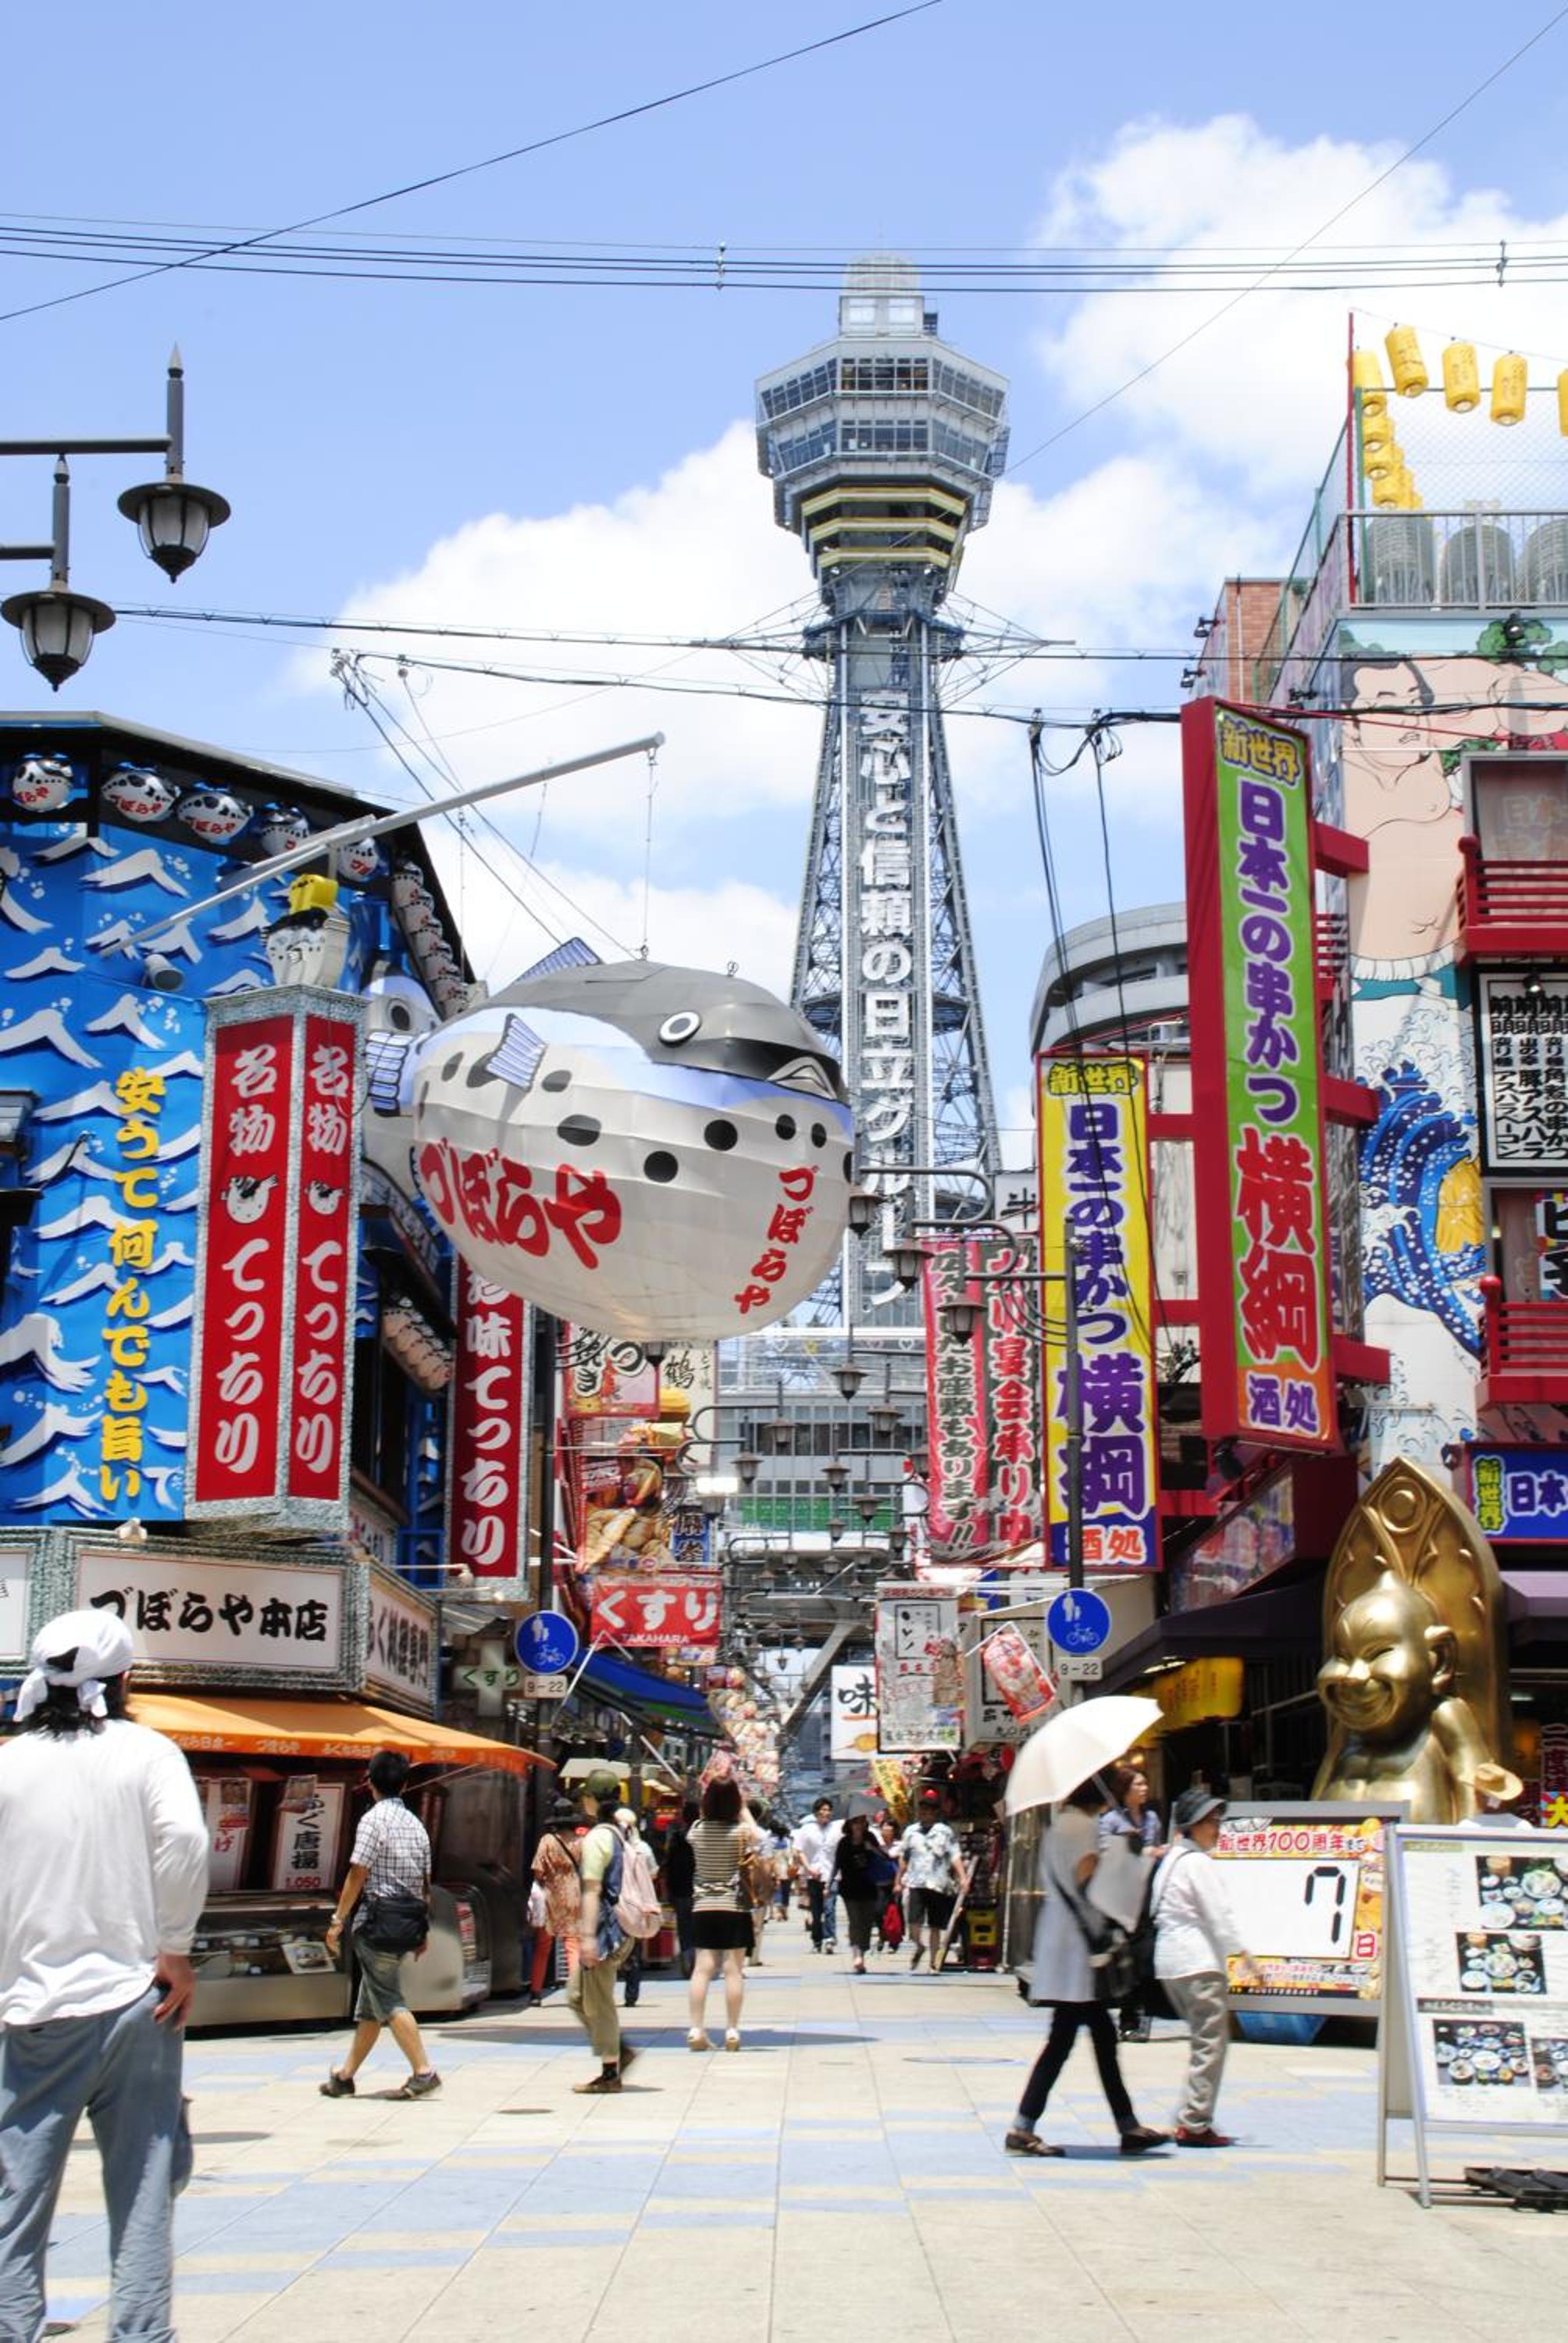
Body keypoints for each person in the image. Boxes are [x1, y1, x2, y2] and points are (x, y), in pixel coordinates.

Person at [0, 1607, 209, 2342]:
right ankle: (141, 2333)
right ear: (124, 1681)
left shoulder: (8, 1763)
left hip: (36, 2005)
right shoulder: (148, 1753)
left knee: (18, 2193)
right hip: (140, 1997)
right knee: (145, 2182)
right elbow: (185, 1839)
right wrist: (174, 1946)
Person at [1005, 1778, 1167, 2159]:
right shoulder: (1082, 1826)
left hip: (1068, 1945)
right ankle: (1024, 2128)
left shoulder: (1061, 1824)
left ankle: (1126, 2126)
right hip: (1078, 1949)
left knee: (1095, 2037)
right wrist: (1127, 1857)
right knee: (1070, 2040)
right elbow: (1087, 1878)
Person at [322, 1748, 441, 2099]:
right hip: (407, 1923)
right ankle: (344, 2078)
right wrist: (423, 1929)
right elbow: (425, 1884)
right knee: (371, 2007)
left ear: (370, 1782)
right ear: (404, 1784)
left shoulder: (373, 1820)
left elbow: (358, 1872)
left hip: (377, 1924)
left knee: (388, 1999)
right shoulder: (417, 1826)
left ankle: (424, 2071)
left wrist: (338, 1920)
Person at [1152, 1788, 1261, 2148]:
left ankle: (1191, 2116)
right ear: (1193, 1825)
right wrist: (1243, 1955)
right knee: (1210, 2043)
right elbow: (1219, 1915)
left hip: (1169, 1961)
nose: (1217, 1828)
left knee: (1203, 2041)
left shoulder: (1171, 1859)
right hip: (1197, 1962)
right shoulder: (1198, 1863)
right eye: (1211, 1822)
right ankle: (1195, 2123)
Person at [568, 1771, 636, 2094]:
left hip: (605, 1931)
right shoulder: (622, 1833)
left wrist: (588, 1939)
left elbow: (592, 1890)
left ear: (592, 1799)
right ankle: (617, 2050)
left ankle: (611, 2072)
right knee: (577, 1996)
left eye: (585, 1796)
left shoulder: (598, 1838)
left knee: (600, 2001)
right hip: (619, 1928)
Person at [687, 1775, 761, 2052]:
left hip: (703, 1906)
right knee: (733, 1970)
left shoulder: (696, 1830)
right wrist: (743, 1809)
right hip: (734, 1906)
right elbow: (759, 1837)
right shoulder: (740, 1832)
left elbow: (700, 1821)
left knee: (702, 1969)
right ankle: (732, 2030)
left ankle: (696, 2028)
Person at [896, 1788, 962, 1971]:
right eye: (922, 1811)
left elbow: (955, 1855)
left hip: (938, 1883)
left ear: (935, 1813)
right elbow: (904, 1857)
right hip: (916, 1881)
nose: (924, 1815)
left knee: (935, 1926)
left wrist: (963, 1877)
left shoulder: (945, 1832)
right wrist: (898, 1880)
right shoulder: (911, 1832)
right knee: (913, 1923)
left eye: (928, 1811)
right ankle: (919, 1945)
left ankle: (934, 1962)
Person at [529, 1795, 584, 1998]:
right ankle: (576, 1990)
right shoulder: (580, 1842)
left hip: (551, 1896)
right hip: (575, 1896)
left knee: (543, 1945)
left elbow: (538, 1870)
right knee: (572, 1944)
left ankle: (536, 1992)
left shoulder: (548, 1841)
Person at [831, 1813, 884, 1973]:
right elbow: (836, 1865)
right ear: (850, 1824)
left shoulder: (870, 1838)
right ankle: (856, 1955)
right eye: (855, 1822)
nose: (859, 1825)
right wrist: (829, 1884)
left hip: (869, 1886)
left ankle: (862, 1952)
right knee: (855, 1920)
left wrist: (872, 1849)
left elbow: (884, 1857)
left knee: (866, 1922)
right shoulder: (844, 1842)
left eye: (862, 1822)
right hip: (849, 1888)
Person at [792, 1797, 841, 1953]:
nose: (826, 1813)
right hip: (813, 1876)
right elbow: (799, 1851)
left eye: (828, 1810)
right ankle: (817, 1940)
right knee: (816, 1911)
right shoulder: (807, 1830)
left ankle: (830, 1939)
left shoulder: (837, 1829)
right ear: (816, 1812)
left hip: (832, 1875)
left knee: (830, 1908)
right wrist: (809, 1869)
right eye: (823, 1810)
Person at [664, 1799, 698, 1977]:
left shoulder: (676, 1838)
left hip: (679, 1889)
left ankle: (686, 1959)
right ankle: (697, 1960)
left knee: (683, 1925)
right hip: (699, 1889)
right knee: (698, 1926)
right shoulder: (703, 1837)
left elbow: (669, 1865)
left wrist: (669, 1889)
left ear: (684, 1818)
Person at [615, 1809, 646, 2006]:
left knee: (609, 1951)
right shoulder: (640, 1849)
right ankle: (631, 1995)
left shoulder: (606, 1847)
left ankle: (604, 1994)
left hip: (612, 1905)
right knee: (633, 1952)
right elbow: (650, 1875)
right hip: (634, 1906)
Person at [1099, 1764, 1163, 1852]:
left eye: (1145, 1783)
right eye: (1139, 1784)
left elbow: (1157, 1848)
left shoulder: (1152, 1817)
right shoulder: (1110, 1820)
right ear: (1125, 1788)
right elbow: (1104, 1851)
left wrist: (1161, 1850)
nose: (1145, 1788)